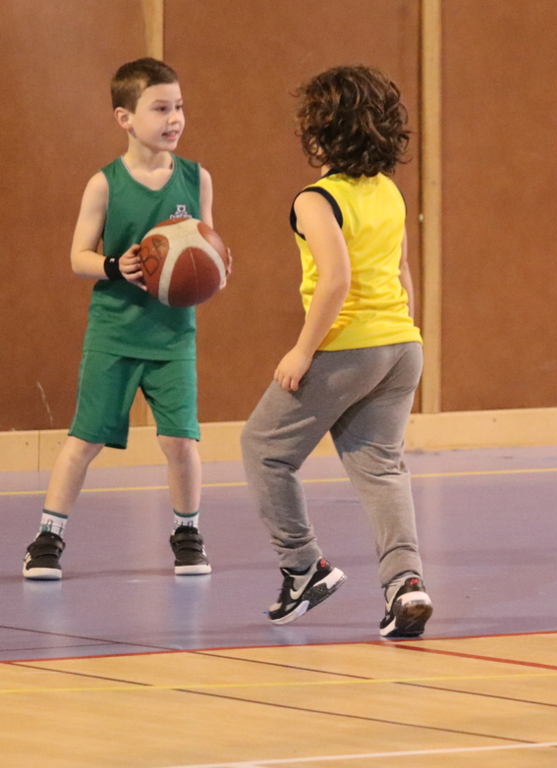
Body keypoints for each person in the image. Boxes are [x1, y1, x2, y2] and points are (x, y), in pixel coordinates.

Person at [241, 65, 431, 638]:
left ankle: (304, 568)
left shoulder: (316, 200)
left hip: (348, 347)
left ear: (318, 131)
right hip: (402, 345)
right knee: (382, 468)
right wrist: (400, 334)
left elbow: (336, 281)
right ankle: (406, 584)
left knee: (263, 449)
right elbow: (402, 272)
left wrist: (303, 351)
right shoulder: (389, 191)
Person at [22, 58, 223, 580]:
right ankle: (47, 537)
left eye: (179, 107)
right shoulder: (104, 184)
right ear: (124, 118)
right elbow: (78, 257)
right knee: (85, 438)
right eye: (160, 108)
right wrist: (116, 265)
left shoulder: (196, 178)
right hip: (114, 332)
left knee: (181, 441)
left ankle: (188, 533)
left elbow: (206, 245)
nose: (174, 118)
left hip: (173, 336)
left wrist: (214, 269)